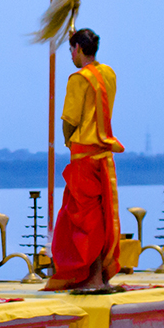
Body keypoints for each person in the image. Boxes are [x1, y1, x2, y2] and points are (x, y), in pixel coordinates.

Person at [44, 29, 123, 290]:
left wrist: (69, 140)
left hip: (85, 154)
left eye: (71, 50)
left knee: (83, 221)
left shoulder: (78, 78)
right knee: (101, 218)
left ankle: (91, 277)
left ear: (78, 49)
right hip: (104, 156)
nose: (71, 56)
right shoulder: (108, 74)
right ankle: (99, 275)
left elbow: (69, 120)